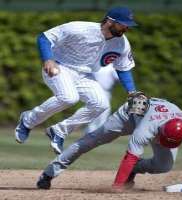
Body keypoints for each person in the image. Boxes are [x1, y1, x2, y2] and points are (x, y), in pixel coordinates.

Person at [15, 6, 138, 155]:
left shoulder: (121, 44)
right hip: (59, 67)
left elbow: (123, 68)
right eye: (122, 24)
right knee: (69, 98)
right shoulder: (79, 28)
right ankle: (28, 120)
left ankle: (59, 131)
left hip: (84, 75)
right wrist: (48, 59)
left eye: (128, 25)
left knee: (101, 104)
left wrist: (131, 91)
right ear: (110, 21)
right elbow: (45, 37)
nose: (126, 28)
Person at [36, 93, 182, 192]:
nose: (160, 142)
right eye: (162, 140)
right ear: (160, 132)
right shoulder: (146, 130)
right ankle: (49, 174)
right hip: (131, 114)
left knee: (164, 165)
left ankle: (134, 171)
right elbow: (129, 156)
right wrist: (117, 187)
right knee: (90, 141)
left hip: (155, 113)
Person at [83, 63, 118, 134]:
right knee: (103, 113)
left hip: (94, 91)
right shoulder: (111, 67)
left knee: (95, 113)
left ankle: (91, 133)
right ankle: (94, 134)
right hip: (102, 91)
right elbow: (118, 78)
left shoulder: (95, 65)